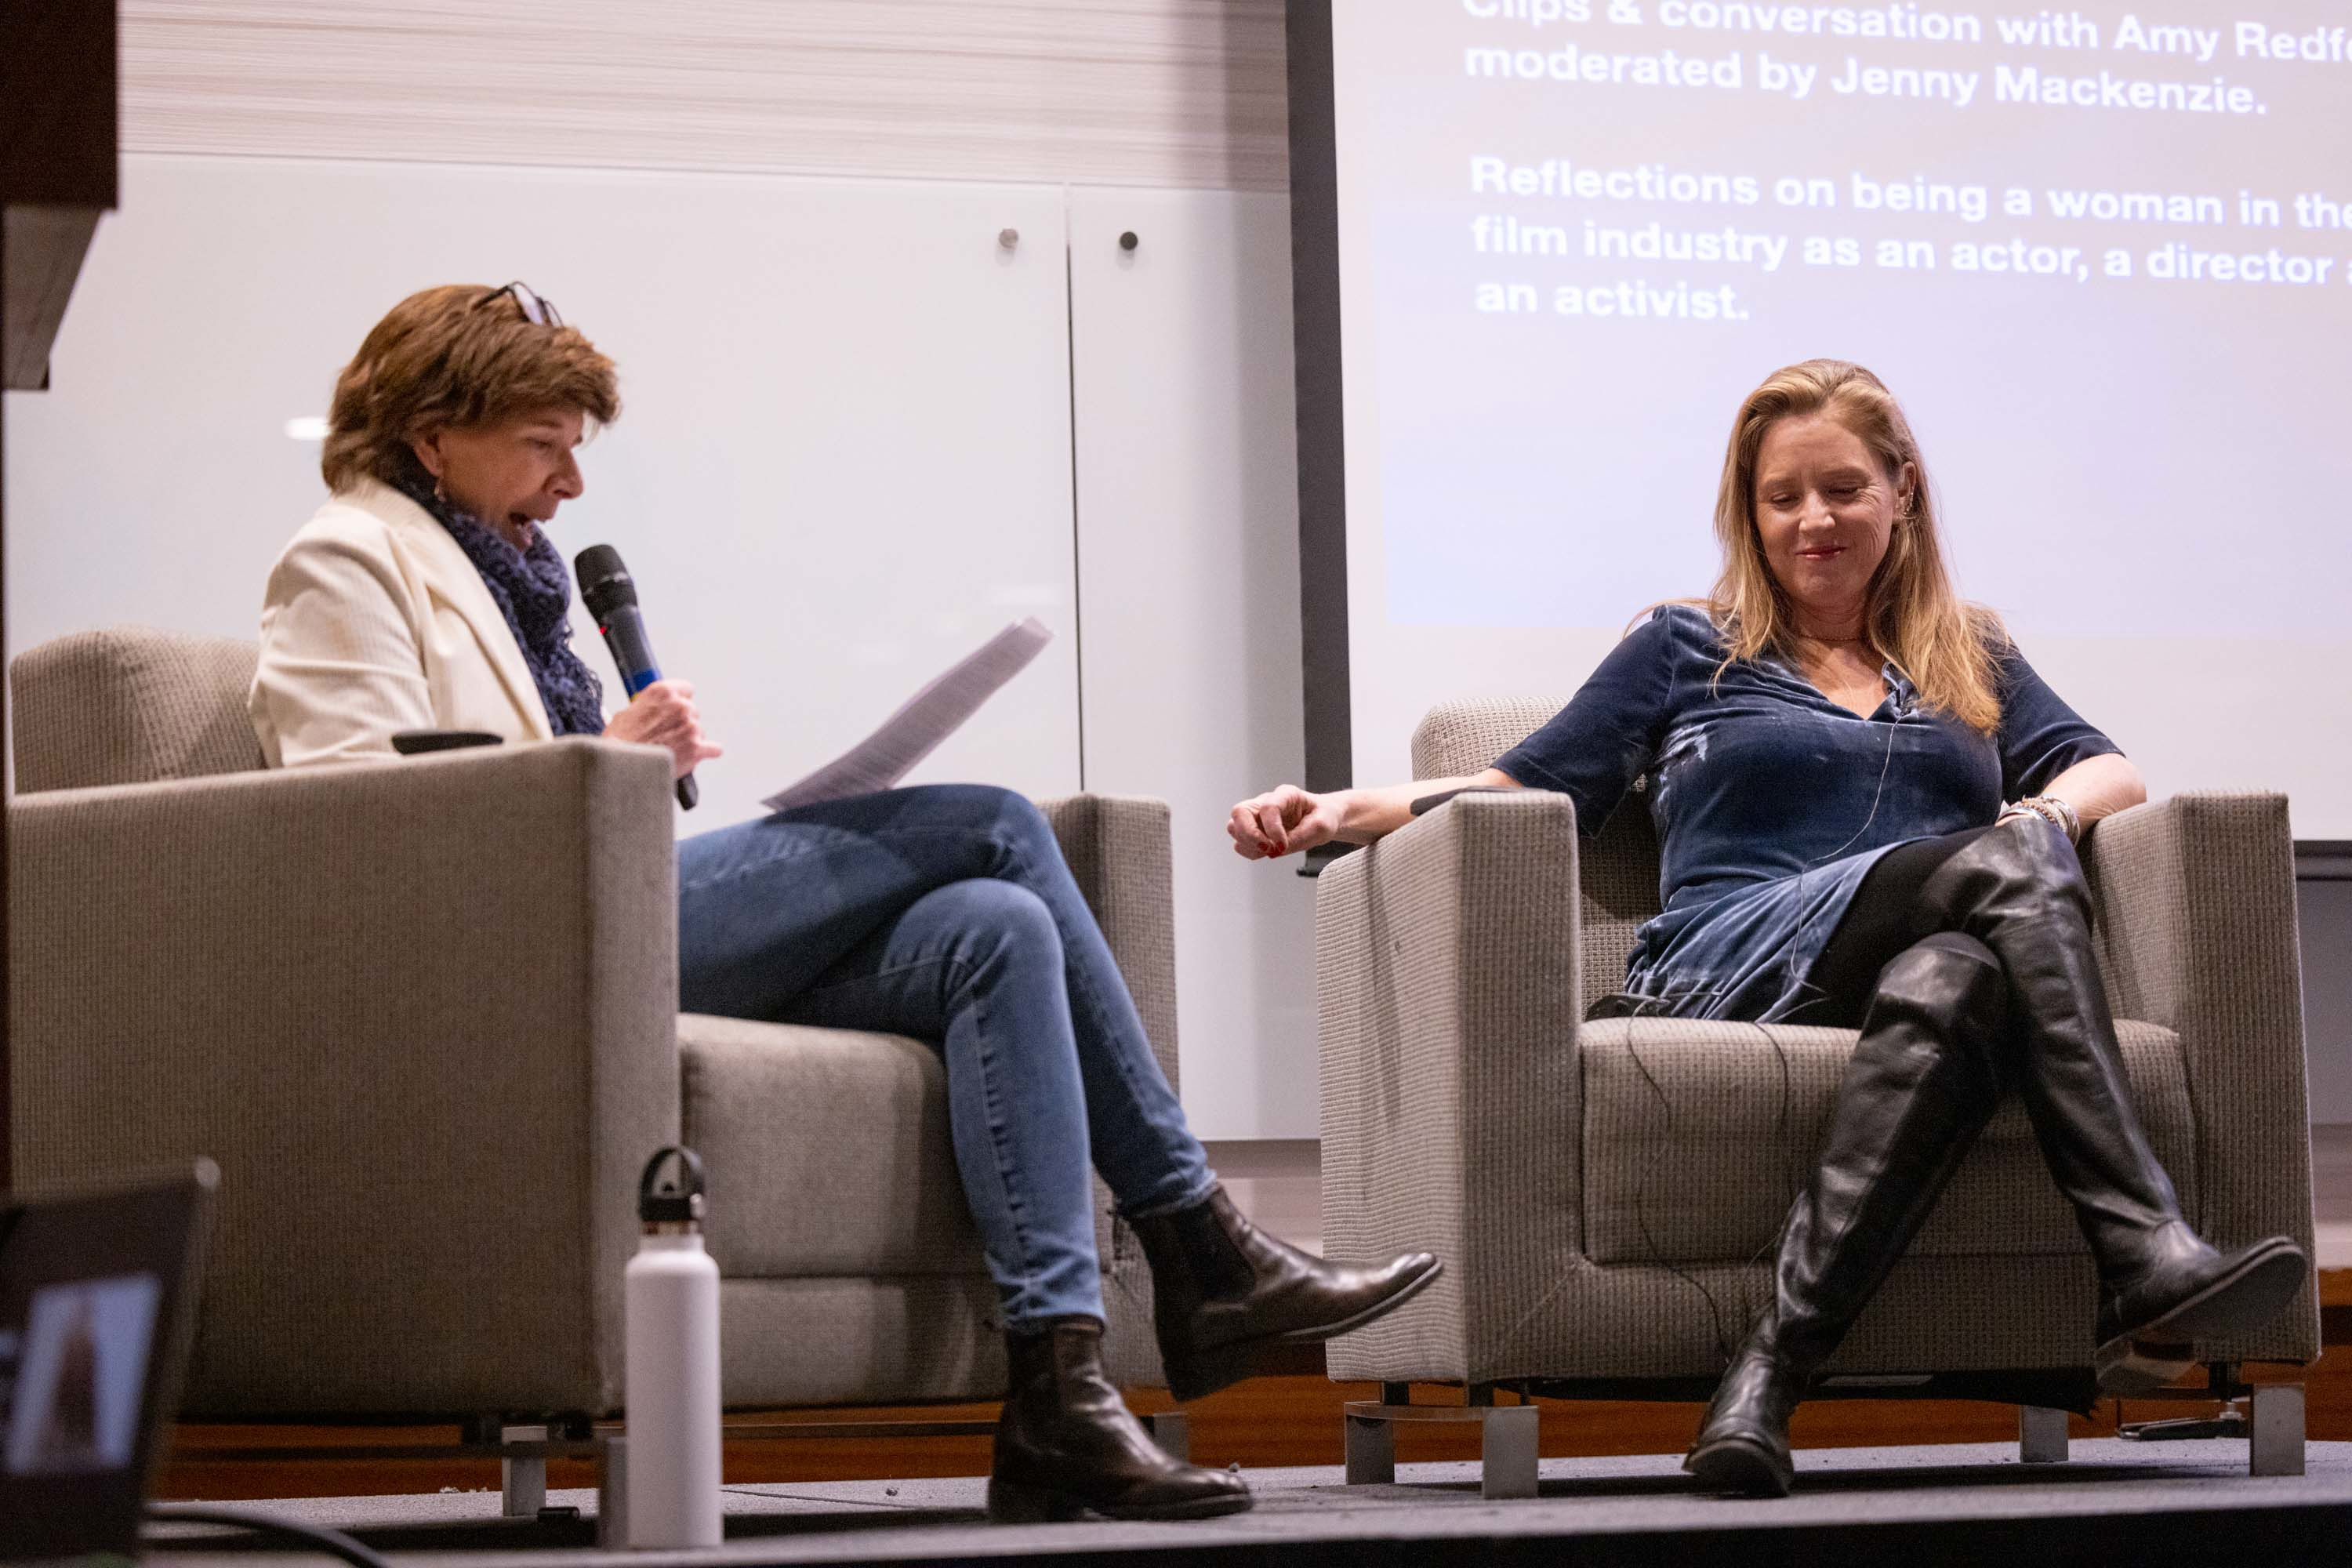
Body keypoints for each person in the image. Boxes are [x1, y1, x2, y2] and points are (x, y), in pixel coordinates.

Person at [249, 282, 1441, 1523]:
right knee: (991, 822)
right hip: (526, 945)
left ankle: (1060, 1395)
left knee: (1000, 925)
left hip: (613, 906)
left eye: (575, 448)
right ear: (433, 436)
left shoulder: (525, 580)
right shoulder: (346, 556)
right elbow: (360, 829)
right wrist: (606, 754)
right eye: (543, 445)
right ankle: (1203, 1246)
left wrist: (616, 767)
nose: (572, 486)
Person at [1228, 358, 2306, 1498]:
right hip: (1730, 956)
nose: (1813, 519)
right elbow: (1518, 785)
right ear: (1749, 512)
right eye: (1781, 496)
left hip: (1898, 962)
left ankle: (1765, 1382)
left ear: (1903, 494)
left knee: (1955, 983)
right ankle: (2141, 1247)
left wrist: (2037, 813)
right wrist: (1341, 810)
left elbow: (2109, 769)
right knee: (2014, 866)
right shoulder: (1687, 647)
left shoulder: (1966, 652)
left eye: (1842, 488)